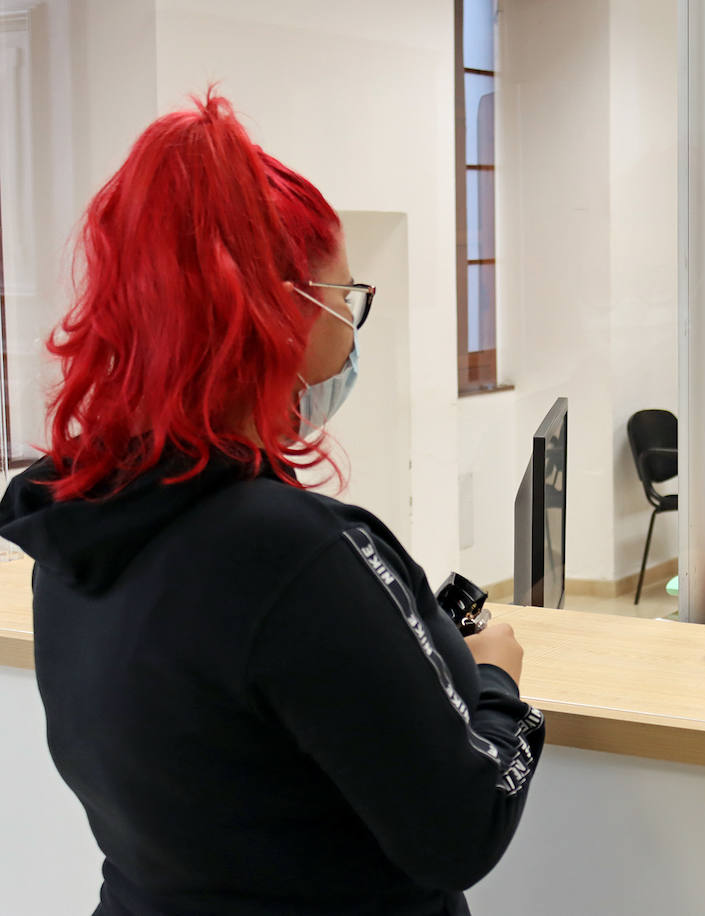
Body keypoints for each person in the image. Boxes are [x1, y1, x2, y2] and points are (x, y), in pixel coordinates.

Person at [0, 94, 542, 915]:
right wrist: (498, 680)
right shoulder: (293, 551)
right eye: (346, 296)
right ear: (288, 308)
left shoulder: (72, 532)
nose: (352, 326)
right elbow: (463, 830)